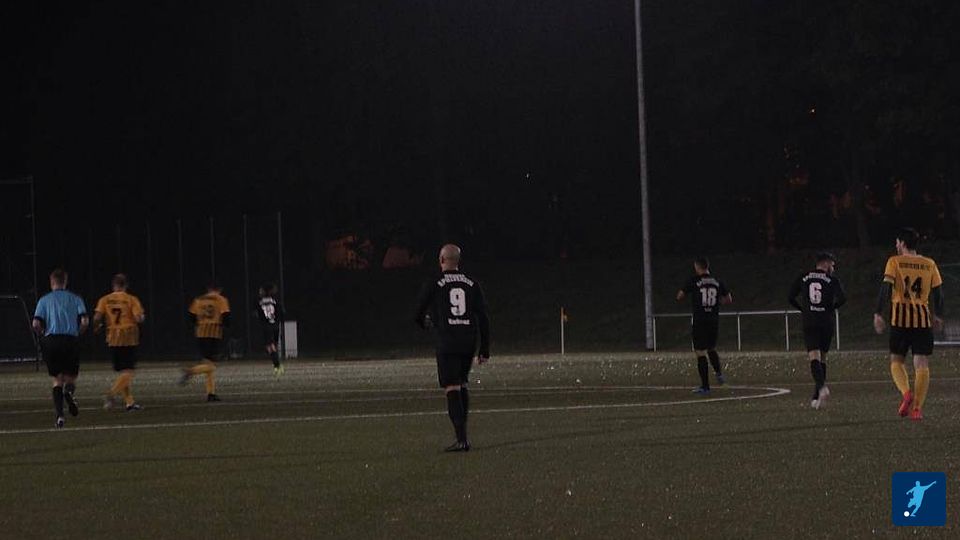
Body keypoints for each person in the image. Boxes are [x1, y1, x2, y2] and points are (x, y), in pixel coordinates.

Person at [414, 244, 490, 452]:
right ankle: (463, 435)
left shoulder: (435, 282)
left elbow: (418, 311)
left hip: (447, 340)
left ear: (441, 260)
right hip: (468, 340)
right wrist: (484, 348)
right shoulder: (472, 283)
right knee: (461, 383)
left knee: (452, 386)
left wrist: (426, 323)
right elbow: (483, 317)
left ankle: (461, 439)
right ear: (458, 261)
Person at [873, 228, 944, 421]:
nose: (896, 245)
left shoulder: (894, 262)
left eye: (897, 242)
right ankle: (917, 409)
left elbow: (885, 288)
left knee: (896, 361)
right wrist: (938, 315)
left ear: (903, 243)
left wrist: (878, 313)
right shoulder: (929, 263)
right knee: (921, 363)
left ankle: (906, 393)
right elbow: (938, 293)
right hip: (922, 321)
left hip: (900, 321)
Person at [788, 252, 846, 409]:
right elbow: (842, 299)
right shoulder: (832, 280)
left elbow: (790, 297)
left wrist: (803, 309)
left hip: (810, 321)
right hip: (826, 322)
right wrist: (830, 308)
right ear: (825, 263)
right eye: (832, 265)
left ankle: (821, 388)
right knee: (823, 358)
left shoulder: (804, 277)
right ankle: (817, 397)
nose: (833, 268)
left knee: (814, 356)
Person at [32, 268, 89, 428]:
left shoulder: (44, 300)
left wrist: (43, 334)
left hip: (51, 341)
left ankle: (60, 416)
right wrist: (79, 333)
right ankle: (68, 393)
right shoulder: (75, 298)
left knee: (57, 379)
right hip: (70, 339)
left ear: (52, 282)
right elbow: (85, 321)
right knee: (70, 378)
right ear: (65, 282)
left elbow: (35, 323)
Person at [676, 257, 732, 394]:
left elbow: (679, 296)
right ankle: (719, 374)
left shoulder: (694, 280)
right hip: (713, 320)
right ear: (707, 266)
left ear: (697, 267)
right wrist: (716, 303)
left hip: (700, 320)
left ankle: (705, 387)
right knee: (711, 348)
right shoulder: (718, 281)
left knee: (700, 352)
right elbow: (729, 299)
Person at [93, 274, 146, 411]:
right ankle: (111, 394)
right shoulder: (131, 299)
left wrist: (97, 327)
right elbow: (138, 318)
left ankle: (129, 403)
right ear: (126, 285)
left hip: (113, 337)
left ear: (113, 285)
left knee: (123, 371)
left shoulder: (105, 299)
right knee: (129, 371)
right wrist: (141, 317)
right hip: (128, 337)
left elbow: (97, 317)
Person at [180, 283, 231, 401]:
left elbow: (191, 316)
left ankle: (211, 394)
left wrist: (200, 324)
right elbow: (226, 315)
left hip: (201, 333)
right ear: (219, 289)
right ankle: (191, 371)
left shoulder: (199, 299)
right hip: (214, 334)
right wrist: (225, 327)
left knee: (207, 363)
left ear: (208, 289)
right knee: (211, 365)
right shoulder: (221, 299)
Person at [257, 282, 285, 378]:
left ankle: (278, 366)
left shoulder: (260, 302)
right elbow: (281, 312)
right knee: (273, 346)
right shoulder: (275, 301)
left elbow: (259, 314)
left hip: (266, 326)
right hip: (275, 326)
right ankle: (277, 364)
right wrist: (278, 320)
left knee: (270, 347)